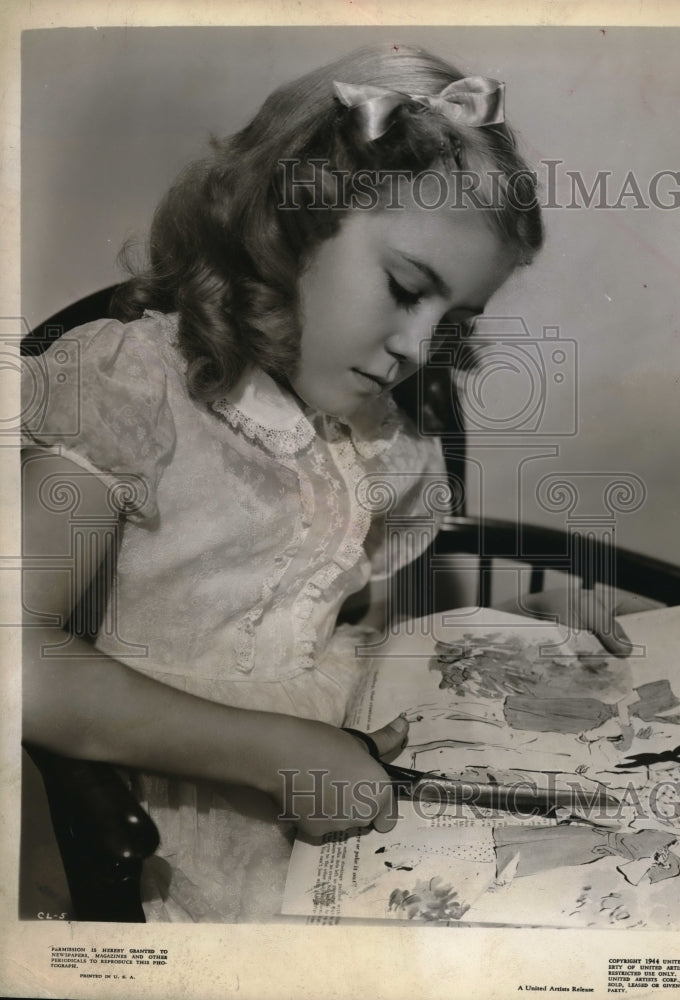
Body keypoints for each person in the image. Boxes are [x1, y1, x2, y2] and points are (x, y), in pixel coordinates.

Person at [19, 42, 591, 922]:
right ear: (289, 227)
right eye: (406, 288)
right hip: (141, 817)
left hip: (329, 782)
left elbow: (322, 625)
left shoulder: (378, 437)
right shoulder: (127, 381)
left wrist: (522, 644)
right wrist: (276, 752)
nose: (417, 347)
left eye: (454, 317)